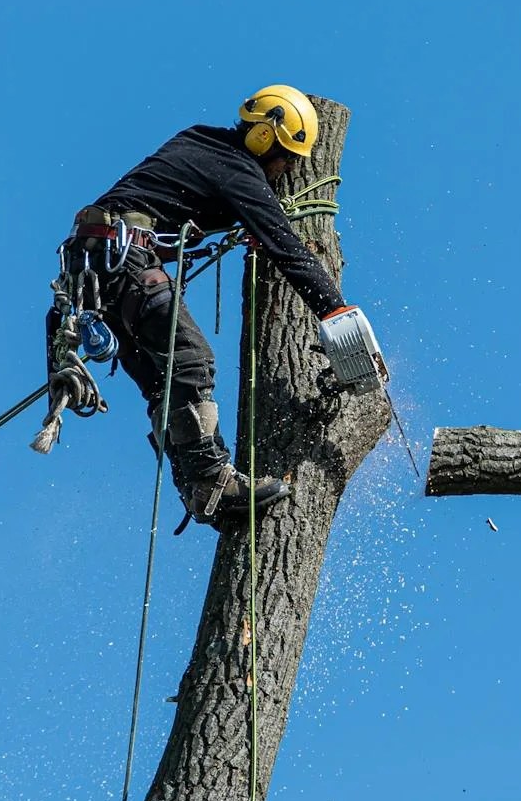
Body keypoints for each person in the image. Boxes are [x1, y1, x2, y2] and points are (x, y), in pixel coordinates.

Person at [44, 85, 377, 527]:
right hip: (123, 264)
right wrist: (338, 313)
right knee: (191, 361)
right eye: (288, 160)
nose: (286, 170)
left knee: (165, 387)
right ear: (264, 141)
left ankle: (199, 490)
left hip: (94, 275)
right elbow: (288, 250)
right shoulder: (239, 170)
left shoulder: (199, 140)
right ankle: (211, 478)